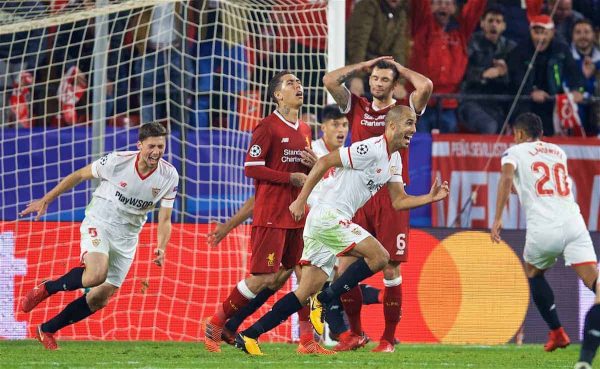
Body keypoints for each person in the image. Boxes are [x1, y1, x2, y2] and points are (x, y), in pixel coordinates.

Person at [233, 105, 449, 356]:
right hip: (328, 216)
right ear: (391, 126)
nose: (413, 129)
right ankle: (325, 300)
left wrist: (430, 198)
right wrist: (301, 199)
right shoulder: (370, 148)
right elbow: (324, 160)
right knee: (379, 256)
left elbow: (399, 200)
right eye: (408, 123)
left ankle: (249, 335)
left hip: (330, 220)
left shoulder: (395, 159)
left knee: (303, 292)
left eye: (414, 124)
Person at [20, 122, 179, 350]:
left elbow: (165, 219)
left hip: (127, 237)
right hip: (100, 221)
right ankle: (49, 287)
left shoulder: (169, 176)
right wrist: (47, 198)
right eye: (151, 146)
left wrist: (161, 247)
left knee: (99, 297)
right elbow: (79, 175)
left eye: (161, 147)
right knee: (96, 274)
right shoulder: (117, 161)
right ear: (140, 145)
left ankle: (47, 329)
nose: (156, 152)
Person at [203, 71, 319, 353]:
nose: (298, 86)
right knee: (262, 278)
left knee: (301, 275)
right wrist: (288, 178)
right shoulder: (267, 127)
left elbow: (304, 173)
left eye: (299, 83)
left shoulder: (304, 129)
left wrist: (314, 164)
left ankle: (307, 342)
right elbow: (251, 167)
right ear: (278, 95)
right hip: (272, 214)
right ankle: (216, 323)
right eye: (290, 83)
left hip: (297, 215)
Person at [322, 56, 431, 352]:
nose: (377, 84)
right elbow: (330, 80)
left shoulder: (404, 111)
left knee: (391, 269)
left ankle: (388, 339)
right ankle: (354, 334)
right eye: (374, 79)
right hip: (357, 198)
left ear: (394, 85)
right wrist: (366, 64)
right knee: (344, 266)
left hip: (391, 196)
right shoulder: (357, 106)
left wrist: (399, 68)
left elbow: (426, 85)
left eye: (384, 80)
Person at [491, 112, 598, 354]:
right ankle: (561, 333)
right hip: (574, 222)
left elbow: (507, 178)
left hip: (544, 226)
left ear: (518, 134)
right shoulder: (558, 152)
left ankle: (557, 332)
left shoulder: (513, 153)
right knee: (594, 280)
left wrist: (497, 218)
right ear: (540, 134)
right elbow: (538, 184)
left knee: (533, 272)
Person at [409, 0, 487, 133]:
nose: (443, 6)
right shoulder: (421, 24)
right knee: (417, 148)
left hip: (449, 103)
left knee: (446, 150)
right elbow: (419, 4)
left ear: (455, 8)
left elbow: (475, 6)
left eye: (448, 3)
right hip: (420, 103)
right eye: (438, 2)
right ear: (430, 6)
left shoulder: (461, 30)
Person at [507, 14, 585, 136]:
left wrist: (577, 90)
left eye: (544, 33)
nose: (540, 37)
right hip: (526, 103)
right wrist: (530, 93)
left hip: (553, 102)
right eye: (536, 32)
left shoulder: (561, 49)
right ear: (530, 32)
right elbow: (515, 78)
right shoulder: (519, 51)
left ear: (552, 33)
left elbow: (575, 73)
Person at [458, 5, 515, 134]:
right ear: (482, 23)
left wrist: (504, 73)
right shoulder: (471, 42)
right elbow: (461, 73)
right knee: (489, 126)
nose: (494, 25)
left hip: (498, 104)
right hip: (471, 101)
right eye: (490, 21)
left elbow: (517, 80)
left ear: (504, 26)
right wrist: (483, 75)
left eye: (498, 21)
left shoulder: (511, 48)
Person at [570, 18, 600, 135]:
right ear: (572, 36)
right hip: (574, 112)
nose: (583, 36)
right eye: (578, 32)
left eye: (587, 32)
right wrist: (583, 77)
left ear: (593, 35)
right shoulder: (565, 58)